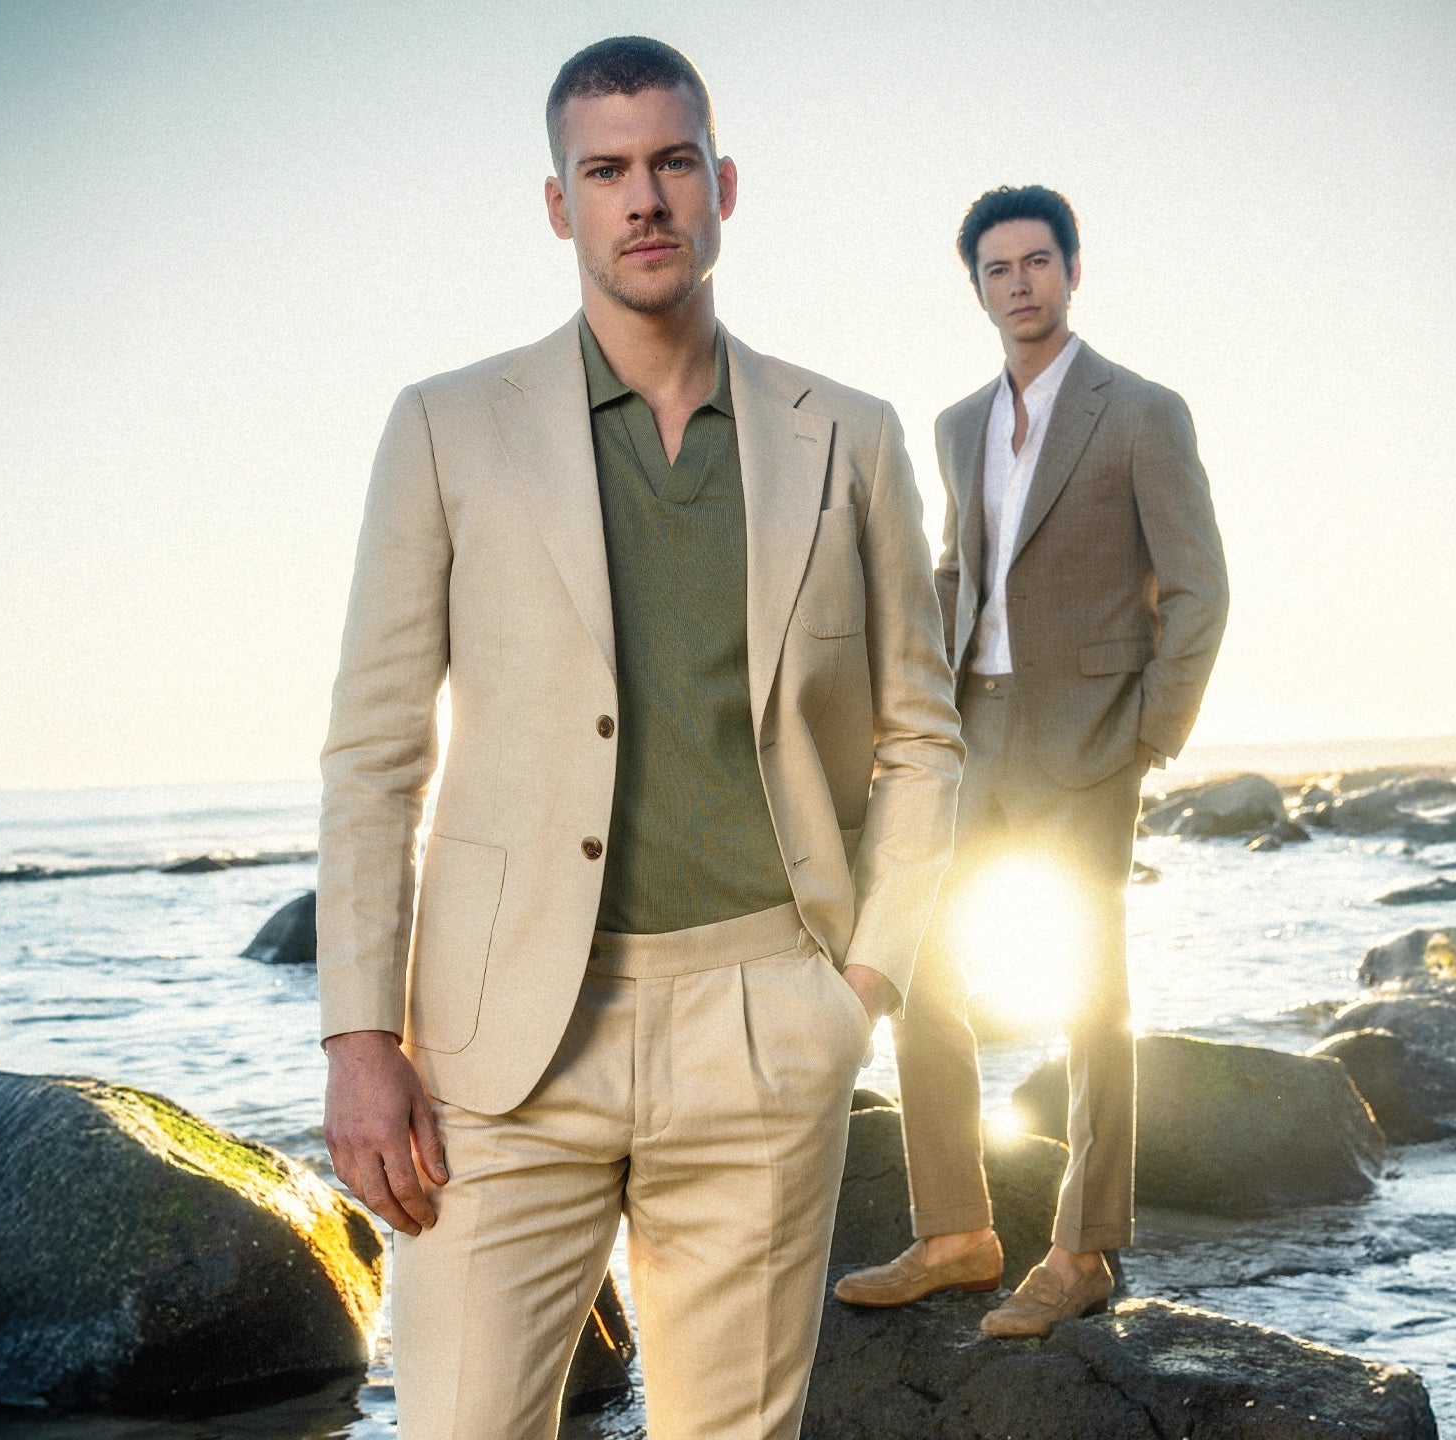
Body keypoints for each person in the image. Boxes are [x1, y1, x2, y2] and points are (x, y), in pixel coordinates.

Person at [314, 36, 961, 1439]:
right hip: (500, 1053)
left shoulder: (850, 437)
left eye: (672, 162)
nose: (644, 198)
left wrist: (860, 988)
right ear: (561, 206)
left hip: (763, 1025)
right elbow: (374, 750)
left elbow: (922, 737)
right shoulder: (445, 428)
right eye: (606, 172)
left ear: (722, 184)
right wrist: (360, 1036)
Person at [833, 184, 1228, 1337]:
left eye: (1037, 261)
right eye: (997, 268)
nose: (1019, 283)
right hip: (973, 730)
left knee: (1091, 995)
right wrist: (906, 691)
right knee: (921, 966)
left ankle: (1084, 1248)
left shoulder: (1142, 412)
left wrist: (1147, 733)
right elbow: (960, 570)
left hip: (1091, 738)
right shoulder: (958, 424)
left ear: (1072, 270)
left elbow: (1199, 588)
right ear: (976, 288)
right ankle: (956, 1234)